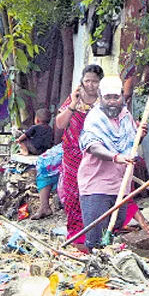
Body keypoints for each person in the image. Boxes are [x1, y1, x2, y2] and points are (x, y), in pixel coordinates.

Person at [77, 76, 147, 251]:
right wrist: (116, 157)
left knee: (113, 231)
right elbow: (93, 147)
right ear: (100, 97)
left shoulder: (125, 116)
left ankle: (109, 270)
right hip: (96, 186)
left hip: (120, 185)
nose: (112, 102)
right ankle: (94, 270)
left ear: (122, 96)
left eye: (116, 97)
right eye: (108, 98)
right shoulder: (94, 118)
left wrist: (139, 135)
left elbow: (129, 146)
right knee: (95, 238)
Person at [54, 64, 104, 250]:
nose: (90, 85)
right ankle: (77, 237)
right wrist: (73, 105)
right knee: (73, 195)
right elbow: (60, 124)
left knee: (96, 195)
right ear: (82, 82)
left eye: (95, 81)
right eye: (87, 81)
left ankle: (97, 235)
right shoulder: (73, 100)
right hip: (73, 156)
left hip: (96, 157)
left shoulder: (105, 103)